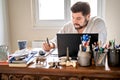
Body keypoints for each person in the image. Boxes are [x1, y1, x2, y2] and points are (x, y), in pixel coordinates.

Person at [42, 1, 107, 52]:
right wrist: (50, 45)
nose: (74, 21)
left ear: (88, 16)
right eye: (73, 17)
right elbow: (56, 40)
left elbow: (100, 44)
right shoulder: (68, 26)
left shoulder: (97, 23)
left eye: (78, 18)